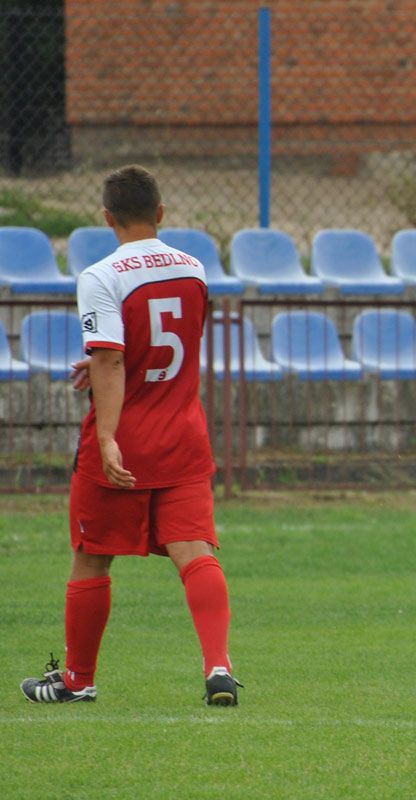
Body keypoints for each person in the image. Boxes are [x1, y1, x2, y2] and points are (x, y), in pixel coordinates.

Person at [20, 165, 241, 706]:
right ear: (160, 213)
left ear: (107, 218)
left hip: (127, 439)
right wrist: (102, 364)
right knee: (196, 551)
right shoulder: (194, 269)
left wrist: (107, 437)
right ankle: (218, 666)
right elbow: (167, 345)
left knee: (91, 556)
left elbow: (114, 359)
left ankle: (78, 679)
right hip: (183, 433)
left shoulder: (101, 275)